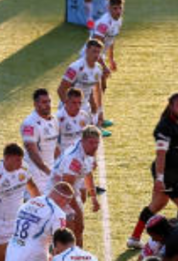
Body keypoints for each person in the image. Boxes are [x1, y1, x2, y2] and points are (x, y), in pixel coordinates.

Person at [128, 93, 178, 249]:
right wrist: (160, 178)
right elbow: (161, 154)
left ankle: (134, 237)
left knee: (158, 204)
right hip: (169, 174)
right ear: (171, 106)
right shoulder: (164, 127)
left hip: (172, 172)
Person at [51, 126, 102, 246]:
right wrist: (77, 211)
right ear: (83, 141)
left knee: (78, 230)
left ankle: (77, 259)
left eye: (97, 143)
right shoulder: (74, 158)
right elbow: (65, 188)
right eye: (91, 142)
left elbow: (88, 174)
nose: (95, 146)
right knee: (69, 233)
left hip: (70, 191)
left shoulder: (87, 151)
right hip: (59, 196)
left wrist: (94, 197)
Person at [84, 0, 124, 128]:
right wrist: (104, 66)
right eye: (115, 8)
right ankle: (95, 125)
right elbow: (94, 47)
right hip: (90, 58)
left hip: (99, 58)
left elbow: (111, 40)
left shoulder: (118, 20)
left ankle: (100, 118)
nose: (118, 11)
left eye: (120, 8)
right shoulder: (104, 23)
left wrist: (111, 59)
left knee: (101, 88)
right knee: (93, 92)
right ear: (108, 8)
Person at [58, 40, 107, 135]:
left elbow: (91, 88)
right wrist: (69, 108)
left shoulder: (98, 69)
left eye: (98, 52)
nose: (96, 55)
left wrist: (94, 106)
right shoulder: (75, 67)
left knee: (87, 137)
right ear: (87, 51)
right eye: (94, 51)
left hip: (85, 107)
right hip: (70, 107)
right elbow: (61, 90)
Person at [21, 89, 60, 198]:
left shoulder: (54, 120)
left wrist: (60, 164)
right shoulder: (30, 124)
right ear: (35, 104)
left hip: (50, 171)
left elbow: (54, 146)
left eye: (49, 101)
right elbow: (32, 152)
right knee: (35, 207)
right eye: (44, 102)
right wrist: (47, 170)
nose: (47, 105)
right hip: (35, 173)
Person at [56, 88, 93, 153]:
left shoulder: (84, 116)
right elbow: (53, 143)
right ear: (66, 102)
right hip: (64, 155)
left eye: (79, 103)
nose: (77, 106)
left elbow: (89, 137)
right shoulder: (58, 118)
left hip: (80, 154)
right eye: (74, 103)